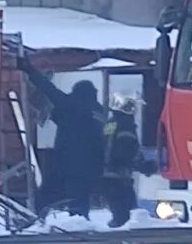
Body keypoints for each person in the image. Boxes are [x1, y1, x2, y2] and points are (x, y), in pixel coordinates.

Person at [20, 56, 105, 219]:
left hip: (67, 161)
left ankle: (39, 218)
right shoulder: (99, 111)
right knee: (80, 199)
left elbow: (49, 89)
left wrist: (30, 70)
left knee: (46, 195)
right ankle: (80, 223)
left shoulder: (71, 104)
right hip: (92, 165)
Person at [101, 95, 142, 228]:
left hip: (107, 174)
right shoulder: (126, 125)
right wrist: (143, 165)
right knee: (128, 216)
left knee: (119, 214)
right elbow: (125, 151)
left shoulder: (111, 123)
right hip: (120, 175)